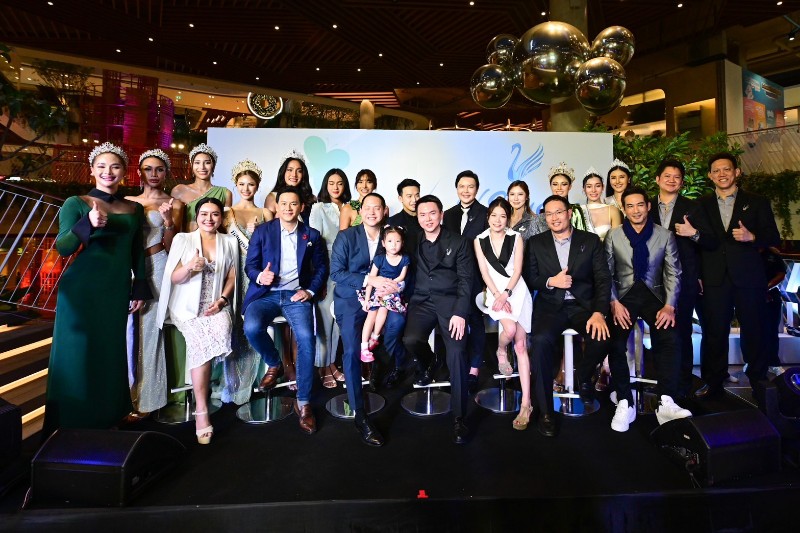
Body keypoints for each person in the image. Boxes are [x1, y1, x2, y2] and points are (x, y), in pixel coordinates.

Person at [43, 143, 152, 437]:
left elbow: (137, 251)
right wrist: (87, 224)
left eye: (115, 166)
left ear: (124, 172)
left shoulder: (134, 208)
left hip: (115, 290)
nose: (108, 172)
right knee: (77, 355)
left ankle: (110, 416)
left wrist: (139, 287)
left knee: (110, 351)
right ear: (92, 170)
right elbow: (63, 247)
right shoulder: (76, 203)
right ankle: (69, 424)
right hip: (80, 291)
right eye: (101, 166)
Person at [605, 187, 692, 432]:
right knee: (615, 342)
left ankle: (666, 400)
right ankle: (625, 401)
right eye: (630, 206)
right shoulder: (614, 235)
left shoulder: (664, 235)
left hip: (655, 296)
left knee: (670, 338)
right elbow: (606, 273)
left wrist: (669, 305)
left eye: (640, 205)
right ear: (624, 209)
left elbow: (674, 272)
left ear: (648, 206)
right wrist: (613, 302)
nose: (636, 210)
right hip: (624, 296)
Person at [524, 195, 611, 437]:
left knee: (603, 338)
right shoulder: (536, 243)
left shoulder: (590, 241)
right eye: (549, 214)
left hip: (583, 306)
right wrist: (551, 281)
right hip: (550, 306)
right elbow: (530, 277)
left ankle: (584, 375)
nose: (554, 218)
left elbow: (603, 279)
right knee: (540, 342)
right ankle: (545, 412)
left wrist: (599, 312)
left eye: (559, 212)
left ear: (569, 213)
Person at [242, 186, 327, 434]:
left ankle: (304, 402)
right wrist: (260, 276)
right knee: (252, 327)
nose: (288, 208)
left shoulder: (312, 235)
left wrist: (309, 291)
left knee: (306, 339)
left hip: (296, 294)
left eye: (294, 204)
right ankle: (274, 362)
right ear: (277, 207)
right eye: (284, 203)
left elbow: (321, 267)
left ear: (301, 207)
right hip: (266, 294)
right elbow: (250, 265)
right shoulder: (263, 232)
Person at [695, 152, 781, 399]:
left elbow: (773, 237)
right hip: (713, 278)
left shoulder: (757, 202)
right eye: (716, 170)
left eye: (726, 169)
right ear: (710, 175)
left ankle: (758, 382)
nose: (722, 174)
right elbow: (698, 245)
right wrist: (698, 275)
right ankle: (713, 383)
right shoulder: (701, 204)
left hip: (749, 277)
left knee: (754, 330)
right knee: (714, 332)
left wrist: (752, 237)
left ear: (737, 172)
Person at [157, 197, 238, 444]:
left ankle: (205, 397)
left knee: (222, 329)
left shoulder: (229, 241)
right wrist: (190, 267)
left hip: (216, 306)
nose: (209, 219)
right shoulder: (183, 239)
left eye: (215, 214)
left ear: (221, 218)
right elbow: (173, 277)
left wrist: (222, 300)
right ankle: (202, 410)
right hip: (186, 308)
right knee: (200, 345)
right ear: (196, 216)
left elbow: (232, 276)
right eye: (204, 214)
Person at [331, 193, 407, 446]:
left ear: (385, 211)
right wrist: (369, 280)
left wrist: (395, 286)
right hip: (351, 298)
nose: (372, 212)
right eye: (367, 208)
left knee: (398, 325)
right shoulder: (347, 236)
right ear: (360, 211)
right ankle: (360, 414)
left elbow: (405, 268)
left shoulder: (392, 235)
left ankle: (382, 369)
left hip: (383, 297)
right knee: (351, 349)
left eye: (377, 208)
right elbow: (336, 273)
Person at [403, 195, 474, 444]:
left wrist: (460, 312)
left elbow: (466, 280)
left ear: (441, 214)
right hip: (422, 301)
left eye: (432, 213)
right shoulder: (412, 240)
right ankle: (431, 361)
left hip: (451, 303)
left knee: (456, 353)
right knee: (411, 339)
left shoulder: (459, 242)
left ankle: (459, 417)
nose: (428, 219)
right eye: (422, 214)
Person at [648, 158, 716, 399]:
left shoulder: (693, 208)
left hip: (684, 278)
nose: (671, 180)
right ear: (657, 179)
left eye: (676, 177)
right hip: (652, 280)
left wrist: (693, 233)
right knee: (658, 332)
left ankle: (684, 384)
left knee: (682, 331)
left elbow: (710, 242)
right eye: (667, 176)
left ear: (682, 182)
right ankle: (663, 382)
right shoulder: (646, 206)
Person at [124, 148, 183, 420]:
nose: (154, 174)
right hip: (127, 267)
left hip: (157, 264)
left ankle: (149, 399)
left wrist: (168, 221)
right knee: (124, 332)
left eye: (159, 169)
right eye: (148, 169)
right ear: (140, 172)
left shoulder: (174, 203)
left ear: (166, 173)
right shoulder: (127, 201)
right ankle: (123, 397)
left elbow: (173, 246)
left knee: (150, 331)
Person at [474, 198, 533, 430]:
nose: (498, 220)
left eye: (502, 216)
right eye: (494, 215)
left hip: (516, 290)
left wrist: (507, 294)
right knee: (509, 330)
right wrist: (498, 295)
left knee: (521, 345)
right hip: (494, 291)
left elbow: (517, 270)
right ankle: (500, 350)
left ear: (508, 218)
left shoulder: (516, 237)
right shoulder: (479, 240)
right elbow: (484, 272)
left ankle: (526, 404)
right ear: (488, 216)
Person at [221, 159, 274, 404]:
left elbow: (273, 248)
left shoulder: (266, 213)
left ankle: (258, 380)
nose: (246, 188)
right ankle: (232, 383)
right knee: (233, 327)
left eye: (251, 184)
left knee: (255, 326)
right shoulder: (227, 213)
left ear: (257, 186)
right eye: (241, 184)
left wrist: (259, 232)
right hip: (233, 275)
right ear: (235, 184)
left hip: (257, 277)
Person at [442, 170, 488, 393]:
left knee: (476, 322)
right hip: (452, 279)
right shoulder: (448, 214)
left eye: (470, 186)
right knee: (452, 321)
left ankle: (474, 369)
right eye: (462, 186)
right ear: (456, 188)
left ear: (477, 189)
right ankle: (454, 367)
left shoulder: (486, 213)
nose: (466, 190)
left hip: (478, 276)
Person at [309, 168, 351, 388]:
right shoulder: (319, 208)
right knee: (324, 319)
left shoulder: (350, 207)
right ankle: (322, 367)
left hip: (346, 269)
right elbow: (314, 244)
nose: (336, 187)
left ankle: (332, 363)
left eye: (340, 183)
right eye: (331, 183)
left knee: (337, 321)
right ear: (326, 185)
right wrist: (318, 277)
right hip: (326, 268)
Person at [358, 226, 410, 362]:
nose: (394, 245)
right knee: (372, 314)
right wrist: (367, 300)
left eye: (397, 241)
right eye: (390, 241)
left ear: (402, 243)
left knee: (383, 310)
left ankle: (374, 337)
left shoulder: (404, 259)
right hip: (377, 290)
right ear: (383, 243)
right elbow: (371, 280)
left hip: (391, 291)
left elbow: (401, 277)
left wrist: (389, 285)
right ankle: (364, 347)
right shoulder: (380, 259)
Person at [170, 143, 232, 230]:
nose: (202, 167)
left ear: (213, 166)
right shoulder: (179, 190)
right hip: (187, 237)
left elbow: (225, 227)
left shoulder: (225, 193)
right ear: (192, 166)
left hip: (214, 238)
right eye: (197, 163)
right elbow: (173, 225)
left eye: (207, 163)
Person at [264, 151, 315, 222]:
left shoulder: (310, 198)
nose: (294, 175)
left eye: (299, 171)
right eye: (290, 170)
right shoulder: (273, 197)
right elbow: (268, 226)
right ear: (283, 172)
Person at [579, 168, 622, 241]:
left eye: (597, 186)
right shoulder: (577, 212)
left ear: (603, 187)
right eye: (589, 186)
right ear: (584, 189)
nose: (593, 190)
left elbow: (617, 241)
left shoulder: (613, 210)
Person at [386, 178, 422, 253]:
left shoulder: (427, 220)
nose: (414, 200)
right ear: (400, 198)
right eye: (409, 196)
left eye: (417, 195)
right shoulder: (392, 222)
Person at [547, 162, 586, 230]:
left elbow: (582, 234)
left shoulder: (576, 210)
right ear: (550, 186)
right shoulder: (544, 211)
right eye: (555, 184)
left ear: (570, 186)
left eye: (564, 184)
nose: (559, 188)